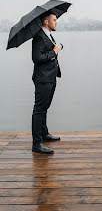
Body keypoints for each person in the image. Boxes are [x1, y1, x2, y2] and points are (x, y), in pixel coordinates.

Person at [31, 11, 63, 154]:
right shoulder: (38, 37)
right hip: (43, 79)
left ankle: (44, 133)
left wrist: (56, 49)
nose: (56, 22)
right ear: (46, 22)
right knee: (39, 110)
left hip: (50, 77)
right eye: (54, 20)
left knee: (45, 107)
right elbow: (37, 58)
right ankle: (37, 144)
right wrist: (54, 52)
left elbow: (48, 52)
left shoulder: (48, 35)